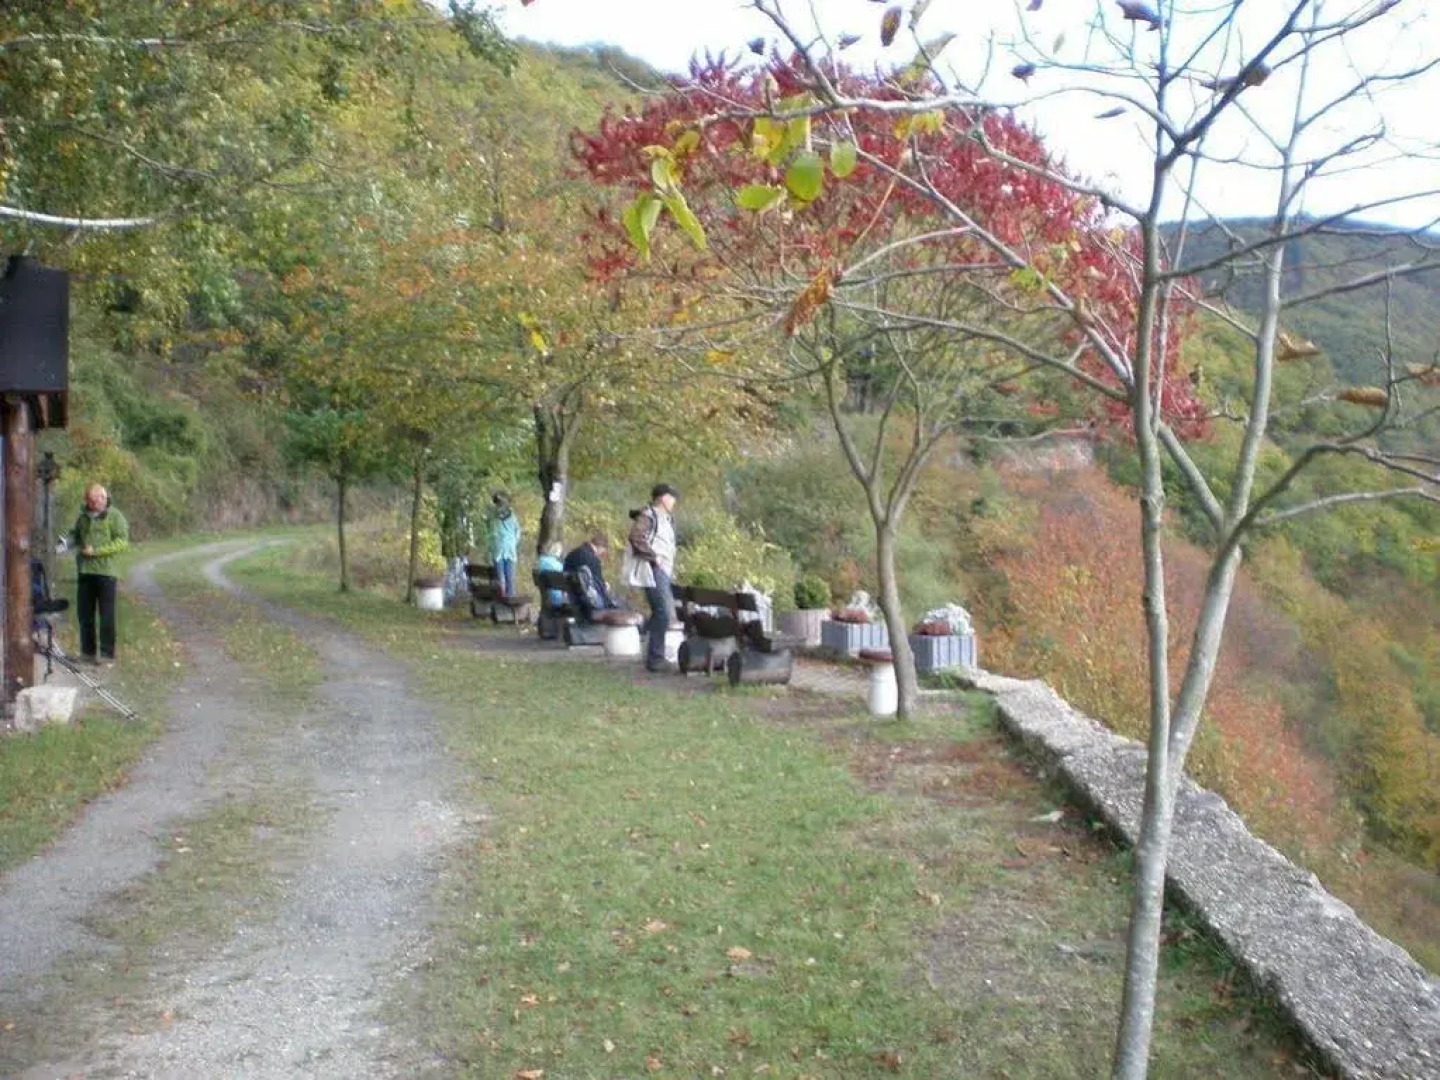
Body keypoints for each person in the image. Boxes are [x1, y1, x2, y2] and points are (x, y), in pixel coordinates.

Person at [68, 482, 129, 666]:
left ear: (104, 498)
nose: (93, 504)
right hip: (85, 571)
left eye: (96, 500)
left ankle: (107, 654)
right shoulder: (83, 517)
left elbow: (122, 542)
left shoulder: (115, 516)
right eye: (90, 501)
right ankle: (87, 653)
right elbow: (76, 536)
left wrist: (97, 551)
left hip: (106, 572)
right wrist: (69, 542)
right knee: (85, 614)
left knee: (106, 615)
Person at [627, 483, 679, 673]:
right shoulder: (649, 516)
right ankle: (655, 659)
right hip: (654, 570)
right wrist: (653, 557)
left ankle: (650, 650)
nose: (674, 502)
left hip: (662, 571)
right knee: (663, 612)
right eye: (672, 497)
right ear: (663, 498)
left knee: (661, 612)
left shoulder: (664, 518)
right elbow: (635, 537)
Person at [563, 533, 619, 620]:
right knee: (621, 603)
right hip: (586, 602)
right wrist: (606, 588)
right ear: (601, 547)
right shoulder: (592, 559)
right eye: (603, 551)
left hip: (571, 598)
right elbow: (599, 585)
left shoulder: (572, 554)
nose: (601, 554)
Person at [486, 492, 521, 597]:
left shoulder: (493, 517)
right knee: (509, 576)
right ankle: (509, 596)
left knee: (500, 576)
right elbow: (517, 532)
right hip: (509, 548)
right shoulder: (512, 516)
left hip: (498, 549)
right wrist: (514, 542)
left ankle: (503, 596)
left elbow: (490, 533)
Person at [536, 541, 566, 609]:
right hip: (558, 599)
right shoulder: (559, 565)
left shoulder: (541, 561)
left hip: (546, 597)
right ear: (559, 553)